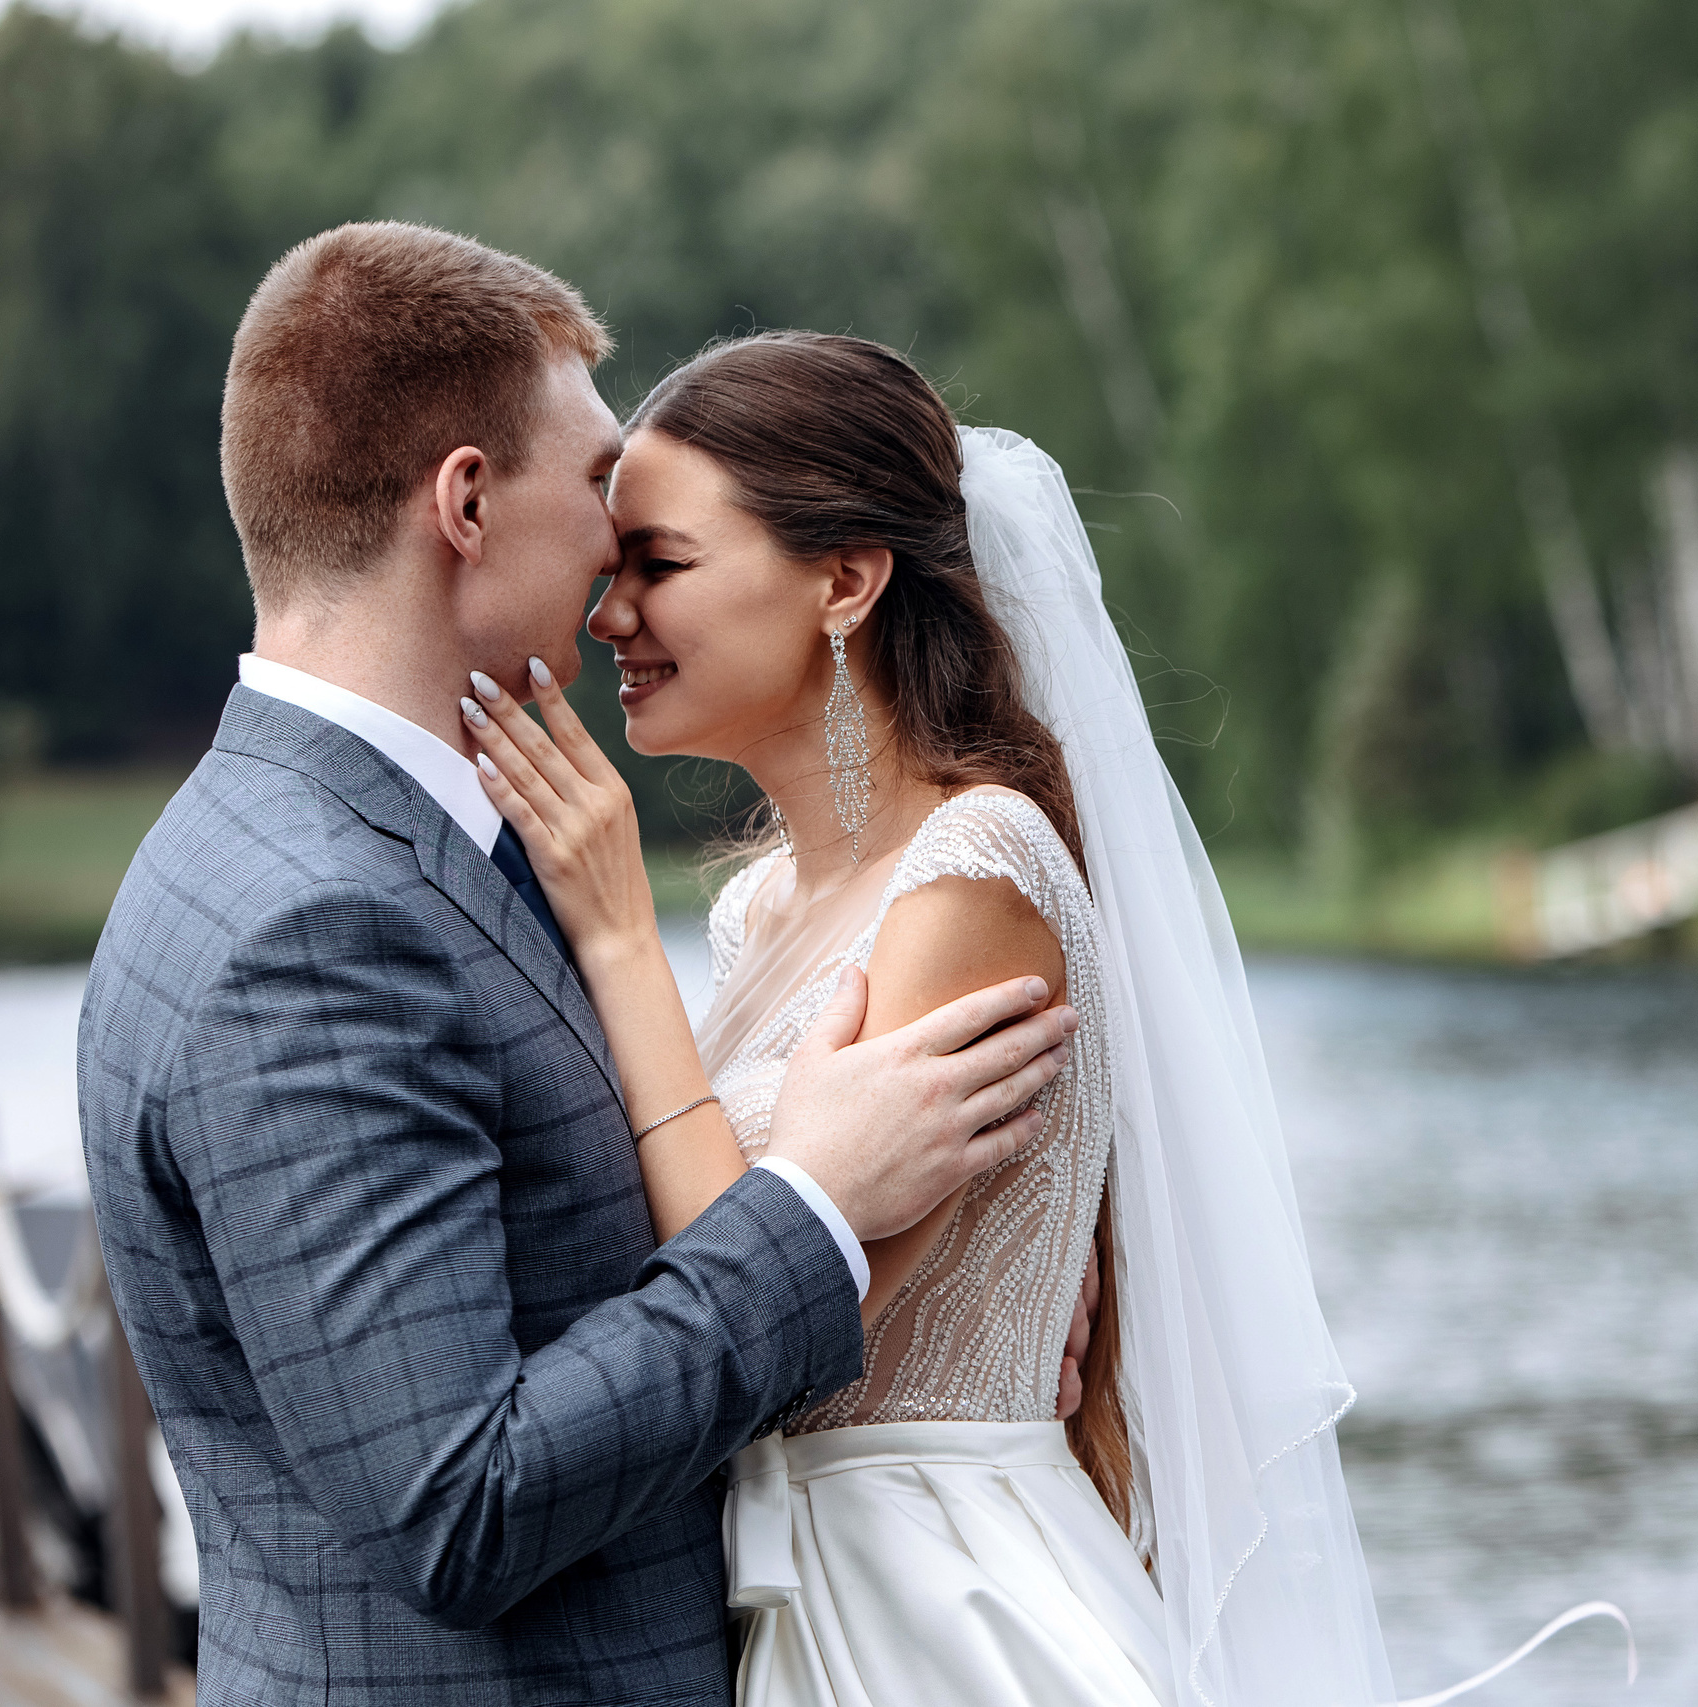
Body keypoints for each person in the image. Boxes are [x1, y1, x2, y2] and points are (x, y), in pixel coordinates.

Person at [76, 225, 1083, 1707]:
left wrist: (981, 1325)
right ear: (467, 502)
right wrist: (818, 1209)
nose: (614, 565)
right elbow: (459, 1499)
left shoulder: (375, 848)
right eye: (603, 487)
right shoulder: (319, 925)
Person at [460, 330, 1403, 1706]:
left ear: (844, 580)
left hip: (950, 1611)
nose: (611, 617)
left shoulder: (975, 871)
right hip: (799, 1598)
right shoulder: (761, 911)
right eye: (614, 571)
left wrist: (616, 934)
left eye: (659, 564)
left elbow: (765, 1333)